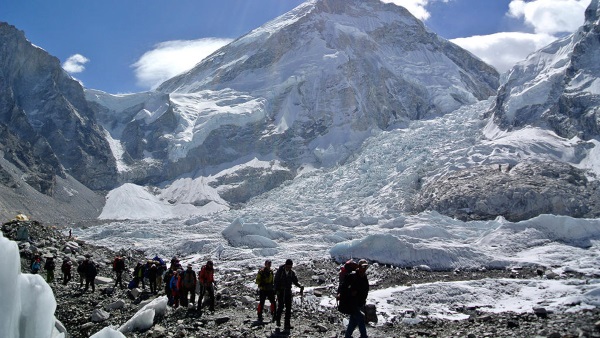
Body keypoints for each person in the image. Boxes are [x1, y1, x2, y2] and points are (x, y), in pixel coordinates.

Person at [274, 259, 304, 332]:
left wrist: (300, 286)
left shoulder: (291, 273)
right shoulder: (280, 272)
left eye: (290, 267)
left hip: (288, 292)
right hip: (281, 292)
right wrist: (276, 290)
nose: (289, 268)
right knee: (280, 306)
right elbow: (276, 281)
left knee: (288, 308)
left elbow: (295, 281)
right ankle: (278, 320)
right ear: (285, 265)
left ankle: (287, 324)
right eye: (288, 267)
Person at [343, 259, 370, 338]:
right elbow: (345, 288)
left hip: (361, 303)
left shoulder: (364, 277)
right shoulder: (353, 276)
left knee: (353, 321)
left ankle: (347, 336)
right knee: (361, 318)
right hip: (353, 303)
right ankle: (364, 336)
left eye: (366, 267)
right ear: (359, 266)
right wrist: (351, 292)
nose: (364, 268)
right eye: (363, 266)